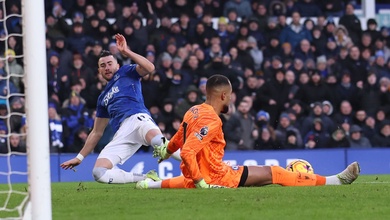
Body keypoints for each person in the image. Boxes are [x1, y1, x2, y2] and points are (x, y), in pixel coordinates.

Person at [137, 75, 360, 189]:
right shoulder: (212, 120)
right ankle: (336, 181)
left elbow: (177, 140)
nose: (231, 99)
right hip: (217, 178)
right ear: (223, 96)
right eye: (231, 95)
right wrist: (203, 184)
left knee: (181, 183)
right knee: (275, 172)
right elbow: (187, 153)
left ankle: (148, 184)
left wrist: (166, 152)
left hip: (197, 175)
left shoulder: (193, 110)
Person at [60, 34, 180, 184]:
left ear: (117, 65)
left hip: (138, 118)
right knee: (99, 173)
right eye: (103, 66)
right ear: (99, 71)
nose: (107, 68)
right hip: (122, 133)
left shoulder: (126, 72)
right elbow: (97, 132)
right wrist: (79, 157)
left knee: (159, 143)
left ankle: (197, 163)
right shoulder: (102, 98)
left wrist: (127, 52)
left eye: (110, 63)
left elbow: (150, 68)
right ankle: (147, 178)